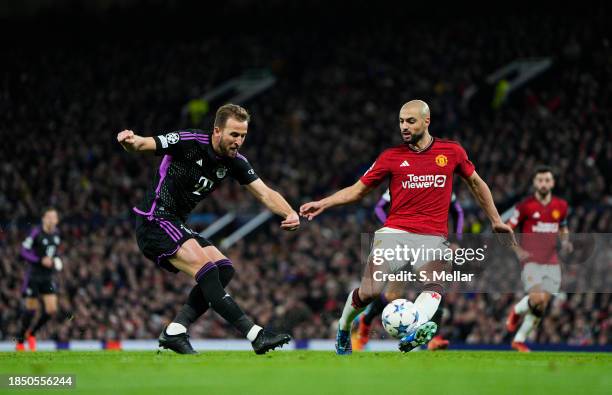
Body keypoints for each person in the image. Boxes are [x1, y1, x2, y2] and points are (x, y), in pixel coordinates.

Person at [300, 99, 513, 354]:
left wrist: (496, 220)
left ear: (426, 121)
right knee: (370, 292)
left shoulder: (452, 152)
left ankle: (415, 329)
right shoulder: (390, 157)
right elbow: (357, 191)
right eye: (401, 121)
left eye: (410, 121)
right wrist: (324, 203)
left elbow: (477, 184)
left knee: (434, 285)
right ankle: (345, 327)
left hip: (433, 237)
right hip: (395, 233)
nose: (404, 126)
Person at [117, 103, 300, 354]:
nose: (238, 141)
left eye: (243, 136)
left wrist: (289, 212)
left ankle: (176, 330)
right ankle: (255, 334)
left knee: (224, 269)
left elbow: (265, 193)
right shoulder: (189, 141)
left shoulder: (236, 162)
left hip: (176, 223)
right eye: (234, 134)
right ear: (217, 131)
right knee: (206, 270)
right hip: (155, 219)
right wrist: (129, 140)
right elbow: (143, 144)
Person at [351, 190, 463, 351]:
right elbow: (379, 208)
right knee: (392, 295)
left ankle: (434, 338)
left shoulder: (440, 179)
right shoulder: (403, 179)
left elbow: (457, 211)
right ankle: (366, 322)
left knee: (435, 286)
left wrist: (457, 240)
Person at [505, 166, 571, 352]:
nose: (543, 184)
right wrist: (517, 251)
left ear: (552, 183)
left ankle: (518, 340)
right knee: (537, 299)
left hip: (552, 261)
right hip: (531, 261)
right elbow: (507, 229)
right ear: (535, 183)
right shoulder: (525, 206)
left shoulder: (561, 206)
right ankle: (516, 311)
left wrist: (565, 241)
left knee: (542, 306)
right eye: (540, 180)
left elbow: (563, 227)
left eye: (547, 180)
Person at [16, 207, 63, 351]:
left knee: (52, 310)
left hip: (47, 277)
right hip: (34, 276)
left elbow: (53, 253)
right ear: (43, 219)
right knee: (31, 310)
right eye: (48, 217)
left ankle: (32, 333)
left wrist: (56, 260)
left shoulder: (57, 235)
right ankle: (20, 339)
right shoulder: (36, 232)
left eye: (53, 217)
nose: (51, 220)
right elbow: (23, 251)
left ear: (56, 220)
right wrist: (39, 260)